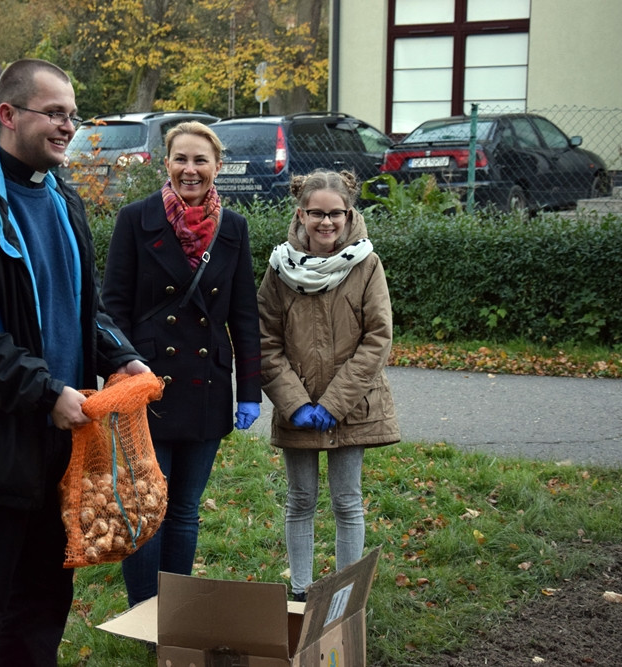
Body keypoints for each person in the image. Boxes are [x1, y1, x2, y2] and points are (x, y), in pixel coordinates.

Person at [0, 58, 149, 666]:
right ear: (8, 115)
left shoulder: (62, 199)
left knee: (45, 599)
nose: (67, 126)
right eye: (54, 113)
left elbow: (83, 305)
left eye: (72, 115)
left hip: (61, 435)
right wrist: (46, 393)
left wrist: (118, 356)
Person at [101, 121, 262, 607]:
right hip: (145, 383)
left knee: (185, 509)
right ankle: (145, 613)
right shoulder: (136, 219)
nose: (190, 170)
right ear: (166, 163)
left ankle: (176, 615)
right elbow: (112, 307)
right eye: (181, 159)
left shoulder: (233, 228)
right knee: (146, 506)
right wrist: (118, 372)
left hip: (207, 384)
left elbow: (244, 314)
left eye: (200, 160)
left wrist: (250, 391)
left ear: (217, 166)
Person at [257, 170, 400, 602]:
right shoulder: (279, 270)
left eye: (335, 213)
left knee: (347, 502)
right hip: (297, 410)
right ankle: (300, 592)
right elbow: (265, 342)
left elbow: (378, 337)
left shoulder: (367, 264)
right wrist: (295, 403)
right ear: (301, 213)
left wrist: (335, 403)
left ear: (348, 213)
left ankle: (344, 596)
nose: (326, 222)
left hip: (353, 408)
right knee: (300, 500)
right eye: (316, 213)